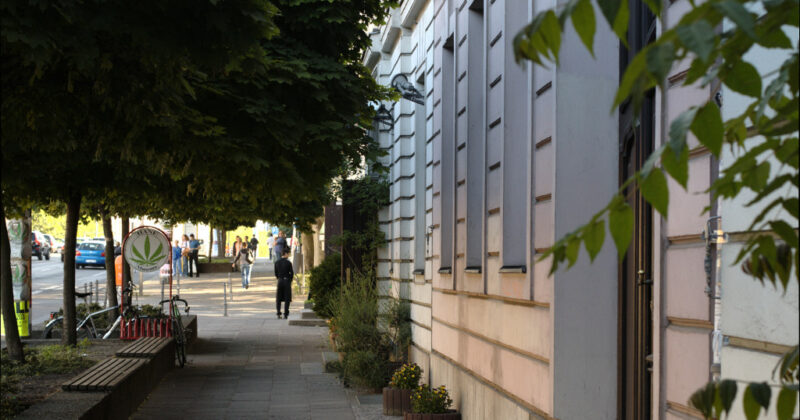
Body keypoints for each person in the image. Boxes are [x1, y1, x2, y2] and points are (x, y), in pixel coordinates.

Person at [274, 247, 294, 319]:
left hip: (280, 281)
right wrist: (289, 280)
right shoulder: (288, 263)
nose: (288, 255)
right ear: (285, 254)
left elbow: (276, 273)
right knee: (287, 298)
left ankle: (278, 313)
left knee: (278, 298)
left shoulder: (277, 262)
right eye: (288, 254)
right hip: (287, 281)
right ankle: (286, 313)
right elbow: (291, 273)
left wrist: (279, 278)